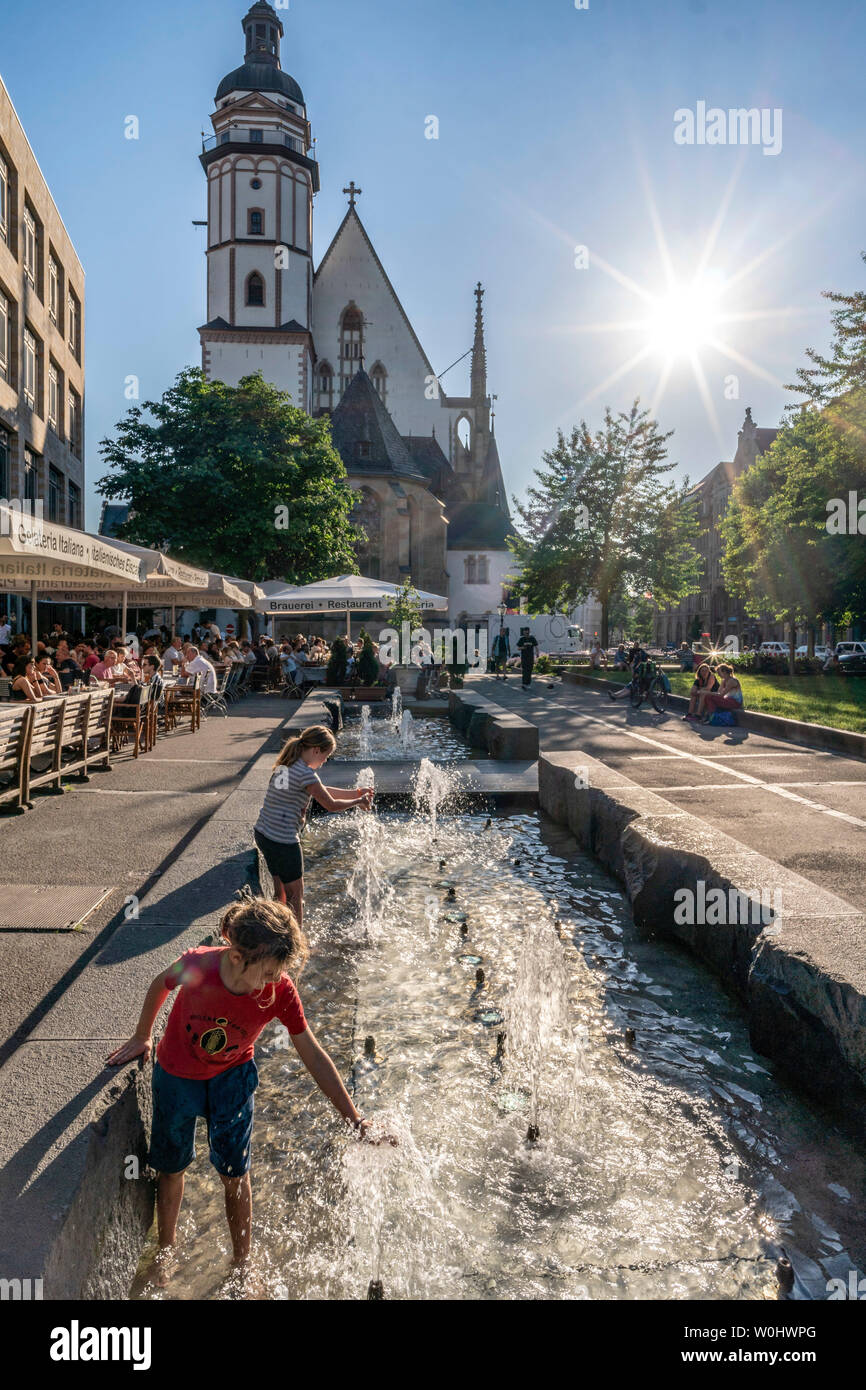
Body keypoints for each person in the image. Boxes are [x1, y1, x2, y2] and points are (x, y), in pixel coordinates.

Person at [106, 897, 386, 1277]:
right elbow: (161, 984)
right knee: (170, 1169)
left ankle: (242, 1263)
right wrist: (143, 1036)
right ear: (238, 958)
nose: (276, 982)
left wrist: (354, 1117)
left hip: (232, 1081)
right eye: (270, 972)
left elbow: (313, 1054)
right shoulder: (199, 966)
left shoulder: (280, 992)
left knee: (235, 1176)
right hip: (176, 1076)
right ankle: (166, 1251)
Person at [254, 725, 372, 928]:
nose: (325, 761)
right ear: (316, 750)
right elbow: (331, 804)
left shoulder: (287, 764)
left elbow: (317, 791)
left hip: (264, 833)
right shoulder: (306, 774)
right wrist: (359, 801)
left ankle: (276, 932)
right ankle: (296, 944)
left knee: (280, 891)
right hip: (283, 841)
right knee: (296, 896)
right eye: (326, 756)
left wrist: (354, 793)